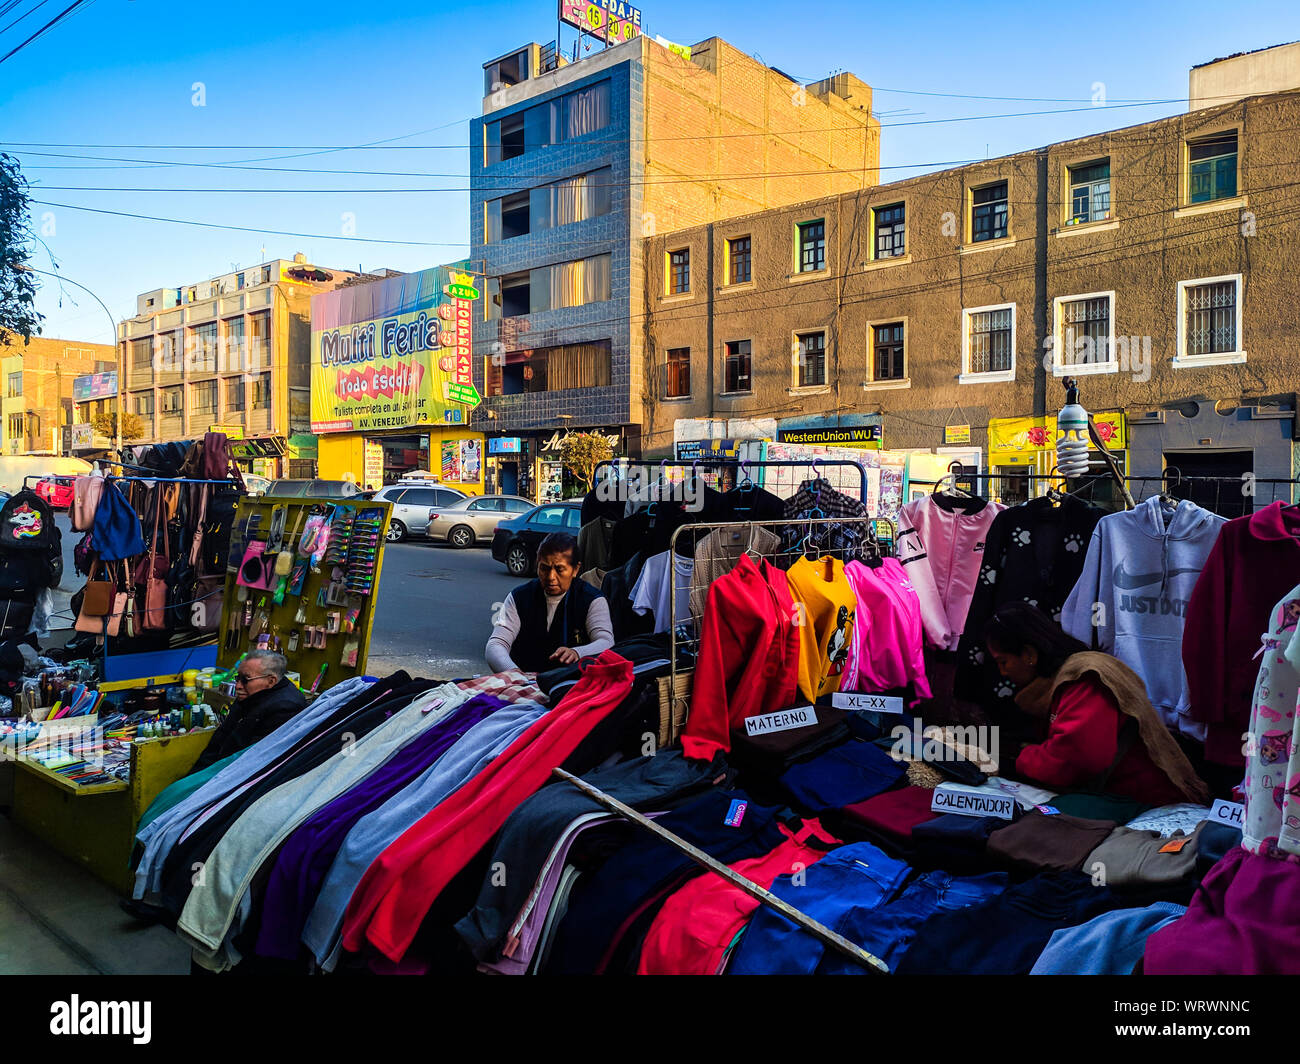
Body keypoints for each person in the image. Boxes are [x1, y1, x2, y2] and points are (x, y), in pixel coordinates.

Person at [984, 602, 1209, 806]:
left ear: (1028, 654)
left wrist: (1017, 759)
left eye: (1003, 662)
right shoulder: (1060, 683)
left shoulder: (1085, 681)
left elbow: (1075, 758)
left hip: (1147, 802)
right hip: (1120, 796)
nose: (1002, 672)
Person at [485, 532, 614, 673]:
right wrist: (512, 673)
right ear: (537, 565)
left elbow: (606, 642)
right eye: (544, 568)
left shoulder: (593, 600)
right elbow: (496, 644)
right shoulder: (518, 597)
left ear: (575, 569)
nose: (551, 577)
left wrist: (578, 652)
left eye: (560, 569)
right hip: (522, 681)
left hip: (569, 683)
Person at [192, 650, 306, 772]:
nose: (238, 686)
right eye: (238, 678)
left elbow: (251, 762)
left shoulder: (285, 708)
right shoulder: (250, 695)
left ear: (271, 681)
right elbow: (220, 738)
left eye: (246, 679)